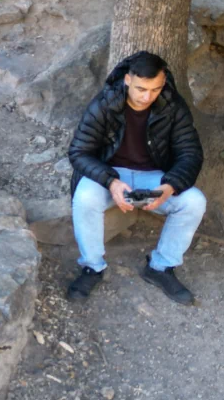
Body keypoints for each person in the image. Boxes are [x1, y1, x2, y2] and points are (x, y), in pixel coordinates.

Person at [65, 50, 206, 305]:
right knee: (85, 197)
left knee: (194, 201)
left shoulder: (172, 106)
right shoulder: (105, 104)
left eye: (154, 89)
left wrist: (170, 186)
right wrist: (110, 181)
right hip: (111, 175)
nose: (146, 97)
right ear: (128, 79)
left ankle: (161, 267)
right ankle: (91, 267)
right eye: (141, 88)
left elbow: (191, 153)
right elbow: (79, 152)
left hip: (155, 177)